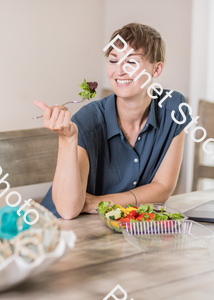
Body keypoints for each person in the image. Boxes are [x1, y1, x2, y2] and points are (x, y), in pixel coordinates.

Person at [33, 23, 192, 219]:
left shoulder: (174, 109)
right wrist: (66, 139)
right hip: (59, 231)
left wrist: (98, 203)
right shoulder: (88, 120)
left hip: (110, 228)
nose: (119, 71)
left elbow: (162, 188)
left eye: (131, 62)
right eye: (113, 60)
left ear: (156, 69)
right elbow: (67, 210)